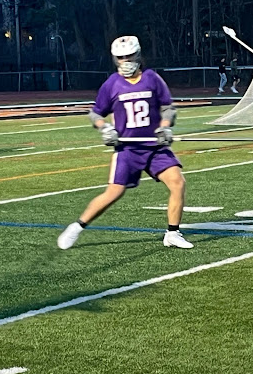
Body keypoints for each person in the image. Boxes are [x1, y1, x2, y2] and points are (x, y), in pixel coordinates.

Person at [57, 35, 193, 251]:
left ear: (138, 55)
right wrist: (106, 128)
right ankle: (77, 226)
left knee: (177, 182)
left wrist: (166, 126)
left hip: (154, 146)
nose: (125, 61)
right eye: (120, 57)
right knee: (114, 193)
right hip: (128, 149)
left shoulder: (152, 78)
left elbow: (168, 107)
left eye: (129, 56)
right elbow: (96, 113)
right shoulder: (112, 84)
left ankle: (173, 233)